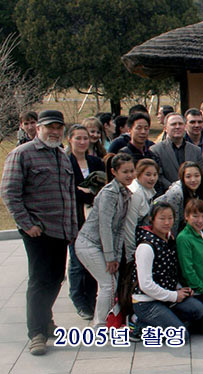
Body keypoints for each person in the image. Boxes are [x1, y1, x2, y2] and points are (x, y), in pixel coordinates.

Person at [132, 202, 203, 343]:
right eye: (162, 218)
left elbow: (170, 272)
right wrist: (174, 296)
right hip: (148, 302)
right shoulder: (146, 247)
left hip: (167, 297)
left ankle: (166, 321)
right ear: (152, 219)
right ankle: (139, 325)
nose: (167, 222)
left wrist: (180, 289)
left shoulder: (169, 239)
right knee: (181, 336)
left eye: (170, 218)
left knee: (197, 309)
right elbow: (145, 285)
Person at [75, 153, 135, 326]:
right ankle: (99, 324)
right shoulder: (109, 193)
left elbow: (120, 229)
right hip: (89, 243)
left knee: (110, 284)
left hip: (102, 246)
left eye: (132, 171)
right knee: (108, 284)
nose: (129, 175)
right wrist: (110, 257)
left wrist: (115, 256)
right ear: (114, 172)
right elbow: (105, 226)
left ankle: (107, 320)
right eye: (125, 172)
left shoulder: (125, 193)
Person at [65, 124, 103, 320]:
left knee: (93, 259)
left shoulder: (95, 162)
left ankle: (92, 297)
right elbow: (66, 190)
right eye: (78, 138)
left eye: (85, 138)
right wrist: (82, 193)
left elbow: (102, 187)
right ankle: (79, 299)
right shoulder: (64, 162)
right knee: (78, 260)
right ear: (69, 139)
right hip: (74, 217)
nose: (82, 142)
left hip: (94, 217)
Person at [151, 112, 202, 193]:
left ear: (185, 127)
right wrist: (175, 189)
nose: (177, 127)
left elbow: (202, 173)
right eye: (173, 124)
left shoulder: (196, 150)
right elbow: (159, 176)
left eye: (180, 124)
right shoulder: (156, 150)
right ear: (165, 128)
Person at [154, 161, 203, 236]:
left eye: (197, 176)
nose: (193, 180)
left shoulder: (201, 192)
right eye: (188, 176)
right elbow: (173, 221)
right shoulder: (176, 193)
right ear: (182, 178)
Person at [124, 159, 159, 262]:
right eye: (148, 174)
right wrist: (131, 254)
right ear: (138, 174)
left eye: (155, 174)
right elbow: (129, 225)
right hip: (128, 242)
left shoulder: (148, 191)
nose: (152, 178)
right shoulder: (136, 194)